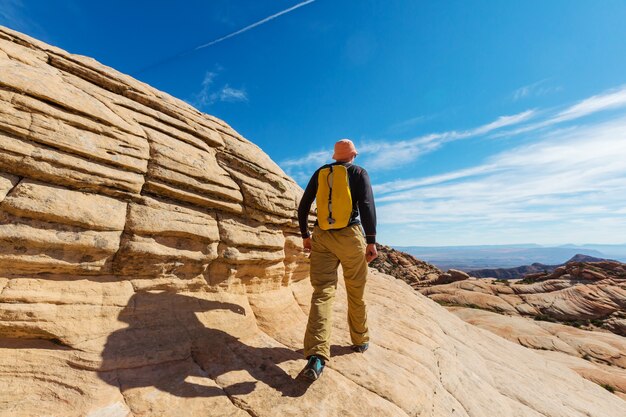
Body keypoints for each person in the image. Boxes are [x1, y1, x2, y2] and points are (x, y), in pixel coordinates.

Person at [297, 138, 378, 381]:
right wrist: (371, 240)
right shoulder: (358, 172)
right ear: (353, 155)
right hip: (350, 236)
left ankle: (317, 356)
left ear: (335, 156)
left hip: (321, 235)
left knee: (322, 293)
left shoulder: (321, 172)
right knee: (356, 291)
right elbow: (366, 205)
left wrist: (305, 236)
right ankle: (360, 340)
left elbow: (303, 206)